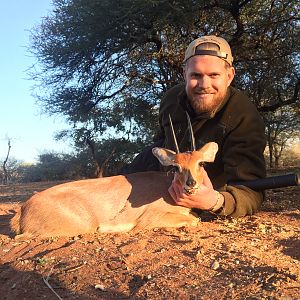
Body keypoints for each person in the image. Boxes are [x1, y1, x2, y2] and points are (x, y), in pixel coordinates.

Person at [121, 35, 266, 217]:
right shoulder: (170, 99)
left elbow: (251, 190)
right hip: (164, 182)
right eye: (196, 75)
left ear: (229, 76)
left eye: (214, 75)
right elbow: (161, 141)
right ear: (184, 75)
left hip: (204, 193)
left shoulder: (244, 114)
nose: (204, 85)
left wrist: (214, 201)